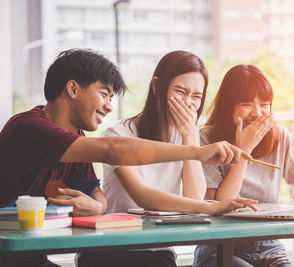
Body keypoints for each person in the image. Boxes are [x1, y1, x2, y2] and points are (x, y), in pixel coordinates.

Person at [0, 49, 255, 267]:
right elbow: (113, 149)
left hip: (28, 255)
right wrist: (198, 153)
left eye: (197, 96)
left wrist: (98, 207)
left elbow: (96, 196)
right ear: (73, 88)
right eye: (104, 94)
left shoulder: (75, 140)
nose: (109, 106)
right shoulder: (30, 127)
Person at [75, 51, 257, 267]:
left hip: (158, 249)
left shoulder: (188, 137)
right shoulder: (119, 134)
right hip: (111, 248)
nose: (189, 103)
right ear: (157, 87)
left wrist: (190, 136)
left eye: (197, 96)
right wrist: (211, 207)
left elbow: (195, 197)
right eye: (181, 91)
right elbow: (144, 197)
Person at [193, 64, 294, 267]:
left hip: (269, 246)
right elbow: (219, 205)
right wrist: (244, 150)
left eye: (264, 104)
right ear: (229, 106)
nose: (258, 113)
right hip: (219, 247)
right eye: (247, 104)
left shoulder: (280, 137)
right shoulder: (206, 139)